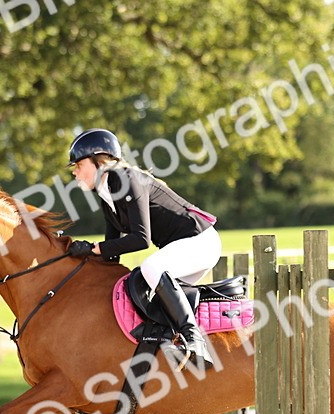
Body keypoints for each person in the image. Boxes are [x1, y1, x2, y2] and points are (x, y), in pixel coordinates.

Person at [66, 129, 221, 370]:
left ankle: (194, 342)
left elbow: (141, 239)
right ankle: (173, 347)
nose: (74, 171)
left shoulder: (125, 179)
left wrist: (94, 248)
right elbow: (112, 249)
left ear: (100, 160)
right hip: (186, 248)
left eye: (78, 164)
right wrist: (82, 254)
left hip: (200, 241)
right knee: (143, 286)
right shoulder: (106, 191)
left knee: (150, 267)